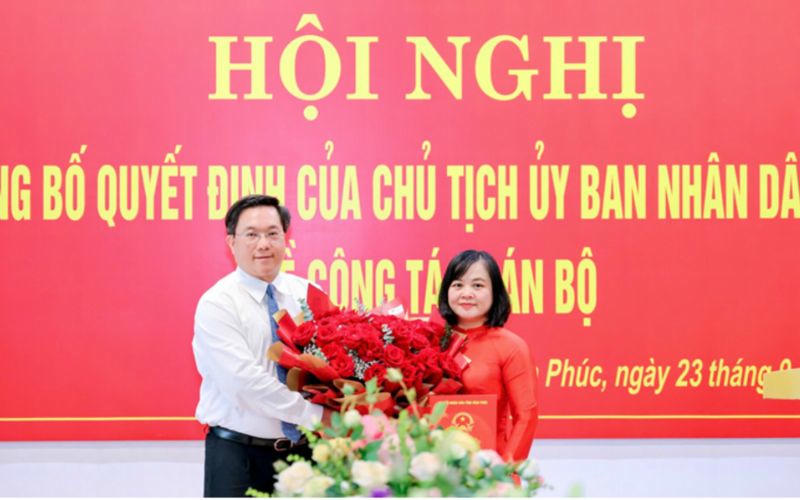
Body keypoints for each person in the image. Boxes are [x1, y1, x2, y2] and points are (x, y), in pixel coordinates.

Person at [192, 195, 331, 497]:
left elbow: (333, 366)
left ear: (285, 238)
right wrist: (318, 416)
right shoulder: (218, 303)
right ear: (232, 242)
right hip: (238, 457)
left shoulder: (308, 294)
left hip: (304, 455)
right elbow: (244, 384)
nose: (264, 244)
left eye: (272, 233)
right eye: (252, 235)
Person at [438, 249, 538, 462]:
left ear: (495, 292)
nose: (466, 293)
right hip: (436, 469)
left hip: (489, 468)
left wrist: (505, 469)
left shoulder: (511, 346)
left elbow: (526, 417)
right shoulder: (431, 341)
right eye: (458, 285)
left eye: (478, 285)